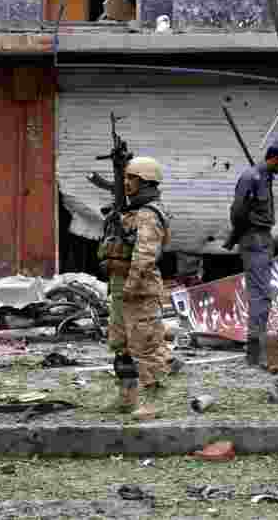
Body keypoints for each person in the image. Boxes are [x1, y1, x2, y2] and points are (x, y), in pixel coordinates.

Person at [98, 156, 173, 420]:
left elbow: (145, 255)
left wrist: (130, 286)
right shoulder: (129, 212)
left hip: (140, 288)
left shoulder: (149, 214)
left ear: (146, 182)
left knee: (146, 344)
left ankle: (153, 400)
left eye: (133, 179)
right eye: (127, 178)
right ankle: (126, 396)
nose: (127, 183)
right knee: (121, 343)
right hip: (120, 284)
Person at [224, 138, 278, 367]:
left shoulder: (264, 177)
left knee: (262, 293)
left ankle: (257, 351)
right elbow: (237, 213)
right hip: (254, 238)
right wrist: (247, 232)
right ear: (276, 159)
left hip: (262, 237)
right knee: (261, 294)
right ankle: (257, 351)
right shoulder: (251, 177)